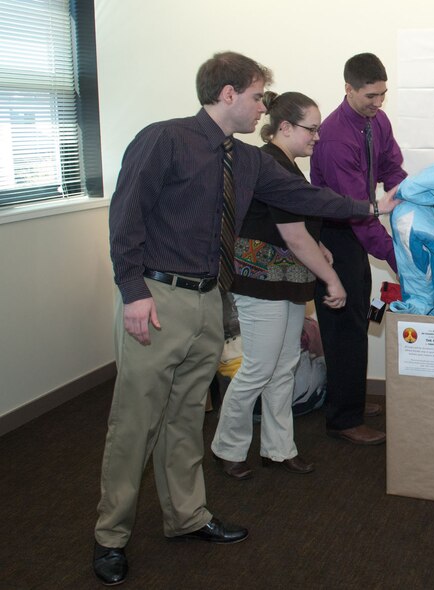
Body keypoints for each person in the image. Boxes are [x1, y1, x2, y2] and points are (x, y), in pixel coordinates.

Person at [94, 52, 397, 586]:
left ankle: (186, 516)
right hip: (158, 297)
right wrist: (132, 290)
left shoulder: (247, 160)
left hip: (211, 298)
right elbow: (127, 214)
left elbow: (304, 198)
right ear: (228, 94)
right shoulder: (165, 139)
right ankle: (110, 536)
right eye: (258, 96)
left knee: (187, 416)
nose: (264, 106)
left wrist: (370, 208)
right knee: (135, 422)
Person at [210, 91, 344, 480]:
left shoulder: (286, 164)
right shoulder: (267, 163)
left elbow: (291, 226)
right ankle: (227, 447)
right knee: (258, 369)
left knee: (285, 366)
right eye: (311, 129)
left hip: (287, 282)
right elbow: (293, 236)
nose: (317, 137)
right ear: (284, 127)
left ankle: (278, 448)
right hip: (260, 284)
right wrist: (329, 276)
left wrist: (317, 245)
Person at [310, 53, 407, 445]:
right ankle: (343, 419)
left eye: (383, 94)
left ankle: (350, 398)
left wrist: (412, 203)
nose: (378, 102)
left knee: (357, 319)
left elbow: (391, 169)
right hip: (335, 235)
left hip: (359, 227)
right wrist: (395, 255)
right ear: (347, 88)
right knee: (344, 326)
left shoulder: (376, 121)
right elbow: (357, 213)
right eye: (370, 95)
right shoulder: (334, 138)